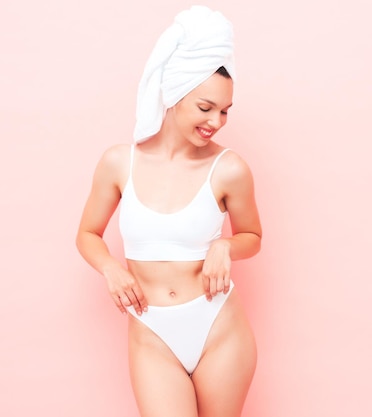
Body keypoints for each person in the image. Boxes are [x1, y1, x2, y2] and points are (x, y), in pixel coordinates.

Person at [76, 6, 261, 417]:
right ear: (175, 93)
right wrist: (110, 267)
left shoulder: (229, 168)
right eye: (206, 107)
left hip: (219, 328)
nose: (217, 120)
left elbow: (253, 237)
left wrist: (225, 246)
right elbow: (87, 233)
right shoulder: (119, 162)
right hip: (152, 331)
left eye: (225, 110)